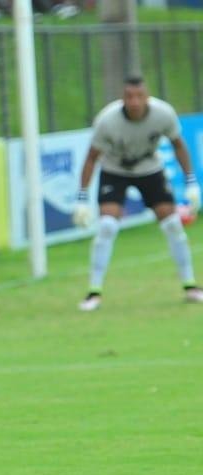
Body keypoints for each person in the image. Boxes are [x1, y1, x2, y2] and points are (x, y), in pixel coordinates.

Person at [72, 76, 203, 311]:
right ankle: (94, 291)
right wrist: (82, 198)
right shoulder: (107, 120)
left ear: (147, 97)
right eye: (129, 97)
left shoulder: (163, 114)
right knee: (107, 226)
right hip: (115, 169)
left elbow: (179, 145)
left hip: (149, 168)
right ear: (123, 98)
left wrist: (191, 182)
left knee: (173, 224)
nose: (134, 102)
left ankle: (191, 285)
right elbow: (92, 157)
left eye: (139, 96)